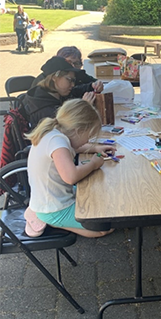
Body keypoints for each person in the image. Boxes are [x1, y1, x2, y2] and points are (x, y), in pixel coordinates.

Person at [24, 98, 115, 238]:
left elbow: (74, 146)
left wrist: (96, 148)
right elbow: (71, 177)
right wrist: (93, 164)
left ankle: (49, 217)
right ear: (78, 131)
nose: (88, 141)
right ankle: (55, 222)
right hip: (54, 209)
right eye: (89, 136)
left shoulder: (54, 132)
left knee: (92, 191)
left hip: (48, 199)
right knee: (103, 228)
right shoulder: (58, 142)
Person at [20, 56, 101, 129]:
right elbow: (67, 130)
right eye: (69, 80)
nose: (72, 84)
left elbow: (75, 91)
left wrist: (92, 86)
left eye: (74, 81)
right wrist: (83, 108)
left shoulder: (54, 93)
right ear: (55, 77)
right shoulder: (43, 108)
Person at [31, 46, 98, 87]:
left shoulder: (78, 75)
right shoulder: (47, 81)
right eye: (69, 63)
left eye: (76, 63)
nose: (73, 67)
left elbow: (94, 82)